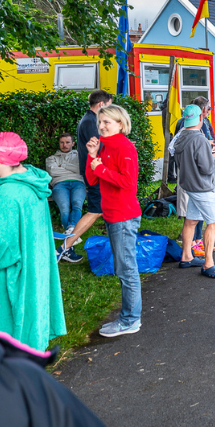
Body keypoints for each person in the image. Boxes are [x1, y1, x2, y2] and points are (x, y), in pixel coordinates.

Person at [0, 132, 66, 350]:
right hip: (32, 266)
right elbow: (14, 225)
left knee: (7, 331)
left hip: (12, 275)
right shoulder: (28, 181)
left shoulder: (8, 193)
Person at [86, 105, 143, 337]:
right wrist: (92, 157)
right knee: (124, 268)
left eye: (107, 122)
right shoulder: (105, 146)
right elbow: (92, 179)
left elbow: (128, 183)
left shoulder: (124, 147)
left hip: (123, 215)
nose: (101, 126)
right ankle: (128, 317)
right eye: (100, 122)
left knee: (126, 269)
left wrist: (100, 167)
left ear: (120, 124)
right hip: (112, 214)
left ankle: (130, 320)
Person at [56, 89, 112, 264]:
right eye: (109, 106)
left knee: (106, 209)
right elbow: (97, 147)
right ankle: (64, 248)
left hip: (96, 171)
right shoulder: (90, 121)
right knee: (96, 211)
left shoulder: (89, 119)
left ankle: (114, 247)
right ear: (101, 104)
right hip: (95, 172)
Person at [173, 105, 215, 278]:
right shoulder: (200, 139)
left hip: (188, 184)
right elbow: (206, 167)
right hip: (202, 186)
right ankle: (208, 263)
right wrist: (214, 156)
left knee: (191, 220)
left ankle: (186, 256)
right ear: (200, 120)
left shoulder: (180, 136)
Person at [45, 133, 86, 236]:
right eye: (62, 142)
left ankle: (70, 230)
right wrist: (72, 169)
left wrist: (62, 165)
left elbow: (81, 170)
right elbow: (53, 172)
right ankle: (72, 232)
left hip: (78, 183)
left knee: (77, 204)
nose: (64, 145)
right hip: (60, 184)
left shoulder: (80, 156)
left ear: (73, 143)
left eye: (67, 142)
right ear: (59, 143)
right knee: (64, 208)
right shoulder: (51, 159)